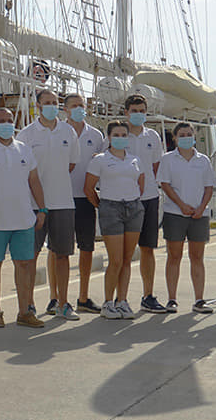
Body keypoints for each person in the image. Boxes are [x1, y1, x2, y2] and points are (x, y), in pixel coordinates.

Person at [0, 108, 47, 328]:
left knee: (24, 264)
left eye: (10, 120)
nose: (7, 124)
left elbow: (34, 182)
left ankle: (24, 312)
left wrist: (43, 209)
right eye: (2, 121)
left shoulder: (24, 150)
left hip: (23, 219)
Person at [17, 90, 79, 320]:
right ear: (38, 106)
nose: (51, 106)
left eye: (55, 103)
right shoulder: (26, 135)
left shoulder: (68, 132)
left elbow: (71, 164)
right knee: (30, 256)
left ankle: (63, 303)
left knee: (62, 255)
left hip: (63, 202)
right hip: (33, 205)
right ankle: (29, 304)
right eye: (47, 103)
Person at [84, 121, 144, 319]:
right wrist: (102, 206)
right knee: (115, 260)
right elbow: (89, 188)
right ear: (109, 137)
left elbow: (140, 184)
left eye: (123, 135)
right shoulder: (100, 160)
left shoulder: (135, 159)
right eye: (116, 135)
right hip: (111, 208)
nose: (120, 138)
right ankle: (108, 302)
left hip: (133, 208)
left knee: (127, 259)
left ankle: (122, 300)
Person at [157, 123, 216, 314]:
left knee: (197, 256)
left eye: (189, 134)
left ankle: (199, 299)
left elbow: (209, 187)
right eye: (181, 134)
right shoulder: (167, 159)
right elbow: (165, 184)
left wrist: (201, 208)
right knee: (174, 256)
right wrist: (181, 205)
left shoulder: (203, 160)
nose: (185, 137)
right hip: (175, 213)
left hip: (199, 215)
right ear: (174, 138)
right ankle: (172, 299)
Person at [122, 94, 167, 314]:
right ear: (126, 112)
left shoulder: (153, 136)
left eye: (142, 110)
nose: (138, 114)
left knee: (147, 248)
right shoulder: (119, 134)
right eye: (134, 110)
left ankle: (148, 295)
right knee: (123, 253)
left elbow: (157, 166)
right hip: (125, 199)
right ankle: (120, 298)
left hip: (149, 197)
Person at [66, 93, 105, 315]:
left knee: (87, 248)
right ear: (66, 109)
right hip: (61, 197)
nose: (79, 109)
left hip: (86, 198)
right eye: (74, 106)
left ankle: (83, 297)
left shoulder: (96, 135)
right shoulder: (59, 131)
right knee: (58, 251)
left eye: (81, 105)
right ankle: (55, 298)